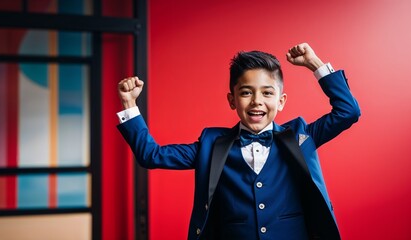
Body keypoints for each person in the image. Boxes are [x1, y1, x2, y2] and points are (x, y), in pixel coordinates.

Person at [117, 43, 360, 240]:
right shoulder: (212, 145)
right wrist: (129, 103)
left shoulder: (299, 135)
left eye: (267, 92)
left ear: (282, 101)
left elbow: (348, 111)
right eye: (246, 92)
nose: (257, 101)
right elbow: (151, 155)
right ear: (232, 100)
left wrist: (314, 64)